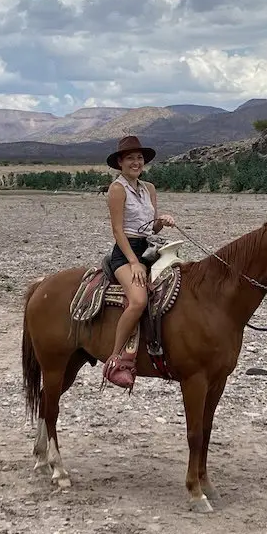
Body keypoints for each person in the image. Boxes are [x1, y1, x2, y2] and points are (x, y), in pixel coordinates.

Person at [102, 135, 175, 390]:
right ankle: (116, 358)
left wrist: (162, 220)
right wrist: (133, 263)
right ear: (120, 162)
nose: (136, 162)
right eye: (130, 158)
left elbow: (152, 226)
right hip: (126, 252)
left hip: (148, 248)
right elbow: (118, 230)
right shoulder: (117, 189)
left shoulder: (149, 188)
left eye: (139, 158)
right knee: (139, 300)